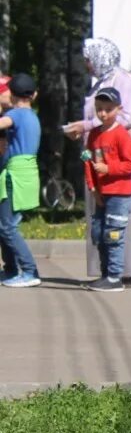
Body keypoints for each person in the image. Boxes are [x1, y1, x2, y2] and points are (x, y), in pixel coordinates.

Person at [65, 39, 131, 287]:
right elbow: (96, 116)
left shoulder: (121, 79)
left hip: (111, 161)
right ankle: (106, 271)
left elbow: (125, 117)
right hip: (95, 156)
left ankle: (119, 274)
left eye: (89, 58)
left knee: (116, 223)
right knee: (98, 221)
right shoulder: (100, 80)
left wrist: (86, 126)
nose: (87, 64)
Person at [83, 88, 131, 293]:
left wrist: (109, 169)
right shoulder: (94, 135)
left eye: (108, 109)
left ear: (118, 109)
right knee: (98, 232)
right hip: (101, 192)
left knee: (113, 234)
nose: (103, 114)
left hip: (120, 192)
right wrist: (93, 187)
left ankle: (115, 277)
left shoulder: (121, 135)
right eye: (99, 109)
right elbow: (87, 162)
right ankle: (105, 274)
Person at [0, 73, 43, 287]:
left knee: (7, 227)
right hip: (25, 172)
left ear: (12, 95)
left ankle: (29, 271)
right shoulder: (32, 115)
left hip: (15, 174)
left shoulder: (16, 115)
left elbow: (4, 122)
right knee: (4, 224)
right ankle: (10, 269)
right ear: (34, 94)